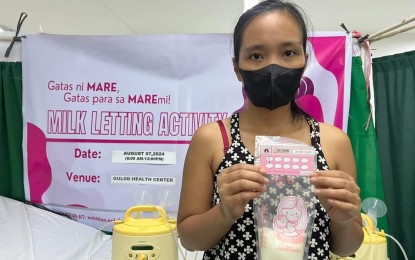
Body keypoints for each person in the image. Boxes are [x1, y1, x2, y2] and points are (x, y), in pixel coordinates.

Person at [177, 0, 363, 259]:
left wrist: (343, 218)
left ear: (304, 61)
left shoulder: (334, 141)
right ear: (237, 68)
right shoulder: (212, 139)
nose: (273, 67)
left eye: (288, 53)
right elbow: (189, 239)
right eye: (256, 55)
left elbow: (347, 247)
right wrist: (224, 211)